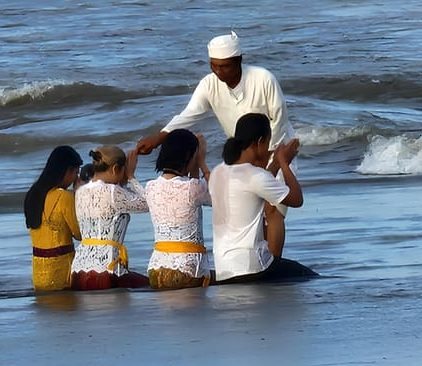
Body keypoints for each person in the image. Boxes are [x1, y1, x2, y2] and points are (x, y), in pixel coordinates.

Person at [135, 31, 298, 256]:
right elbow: (190, 114)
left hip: (276, 148)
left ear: (239, 61)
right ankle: (259, 257)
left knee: (273, 210)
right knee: (252, 210)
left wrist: (271, 159)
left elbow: (279, 119)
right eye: (214, 66)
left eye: (225, 67)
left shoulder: (263, 78)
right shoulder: (209, 84)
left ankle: (275, 262)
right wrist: (159, 137)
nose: (219, 72)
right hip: (242, 157)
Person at [208, 113, 317, 284]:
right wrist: (283, 163)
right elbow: (296, 199)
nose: (267, 150)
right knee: (307, 276)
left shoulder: (217, 172)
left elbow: (257, 184)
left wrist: (274, 165)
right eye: (267, 143)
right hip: (252, 267)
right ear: (259, 142)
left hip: (224, 269)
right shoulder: (255, 175)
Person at [71, 146, 149, 289]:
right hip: (105, 271)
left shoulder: (80, 192)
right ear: (115, 169)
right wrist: (131, 177)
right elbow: (149, 203)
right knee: (150, 285)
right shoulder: (113, 192)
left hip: (78, 271)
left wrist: (122, 181)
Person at [145, 129, 212, 289]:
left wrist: (195, 158)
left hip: (156, 269)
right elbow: (217, 196)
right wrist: (202, 162)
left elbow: (192, 186)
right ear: (189, 156)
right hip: (188, 270)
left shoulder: (150, 186)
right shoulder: (193, 188)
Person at [24, 145, 83, 291]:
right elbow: (79, 234)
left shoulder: (33, 194)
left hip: (38, 273)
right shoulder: (64, 196)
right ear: (67, 171)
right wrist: (79, 196)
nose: (76, 178)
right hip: (61, 272)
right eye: (76, 173)